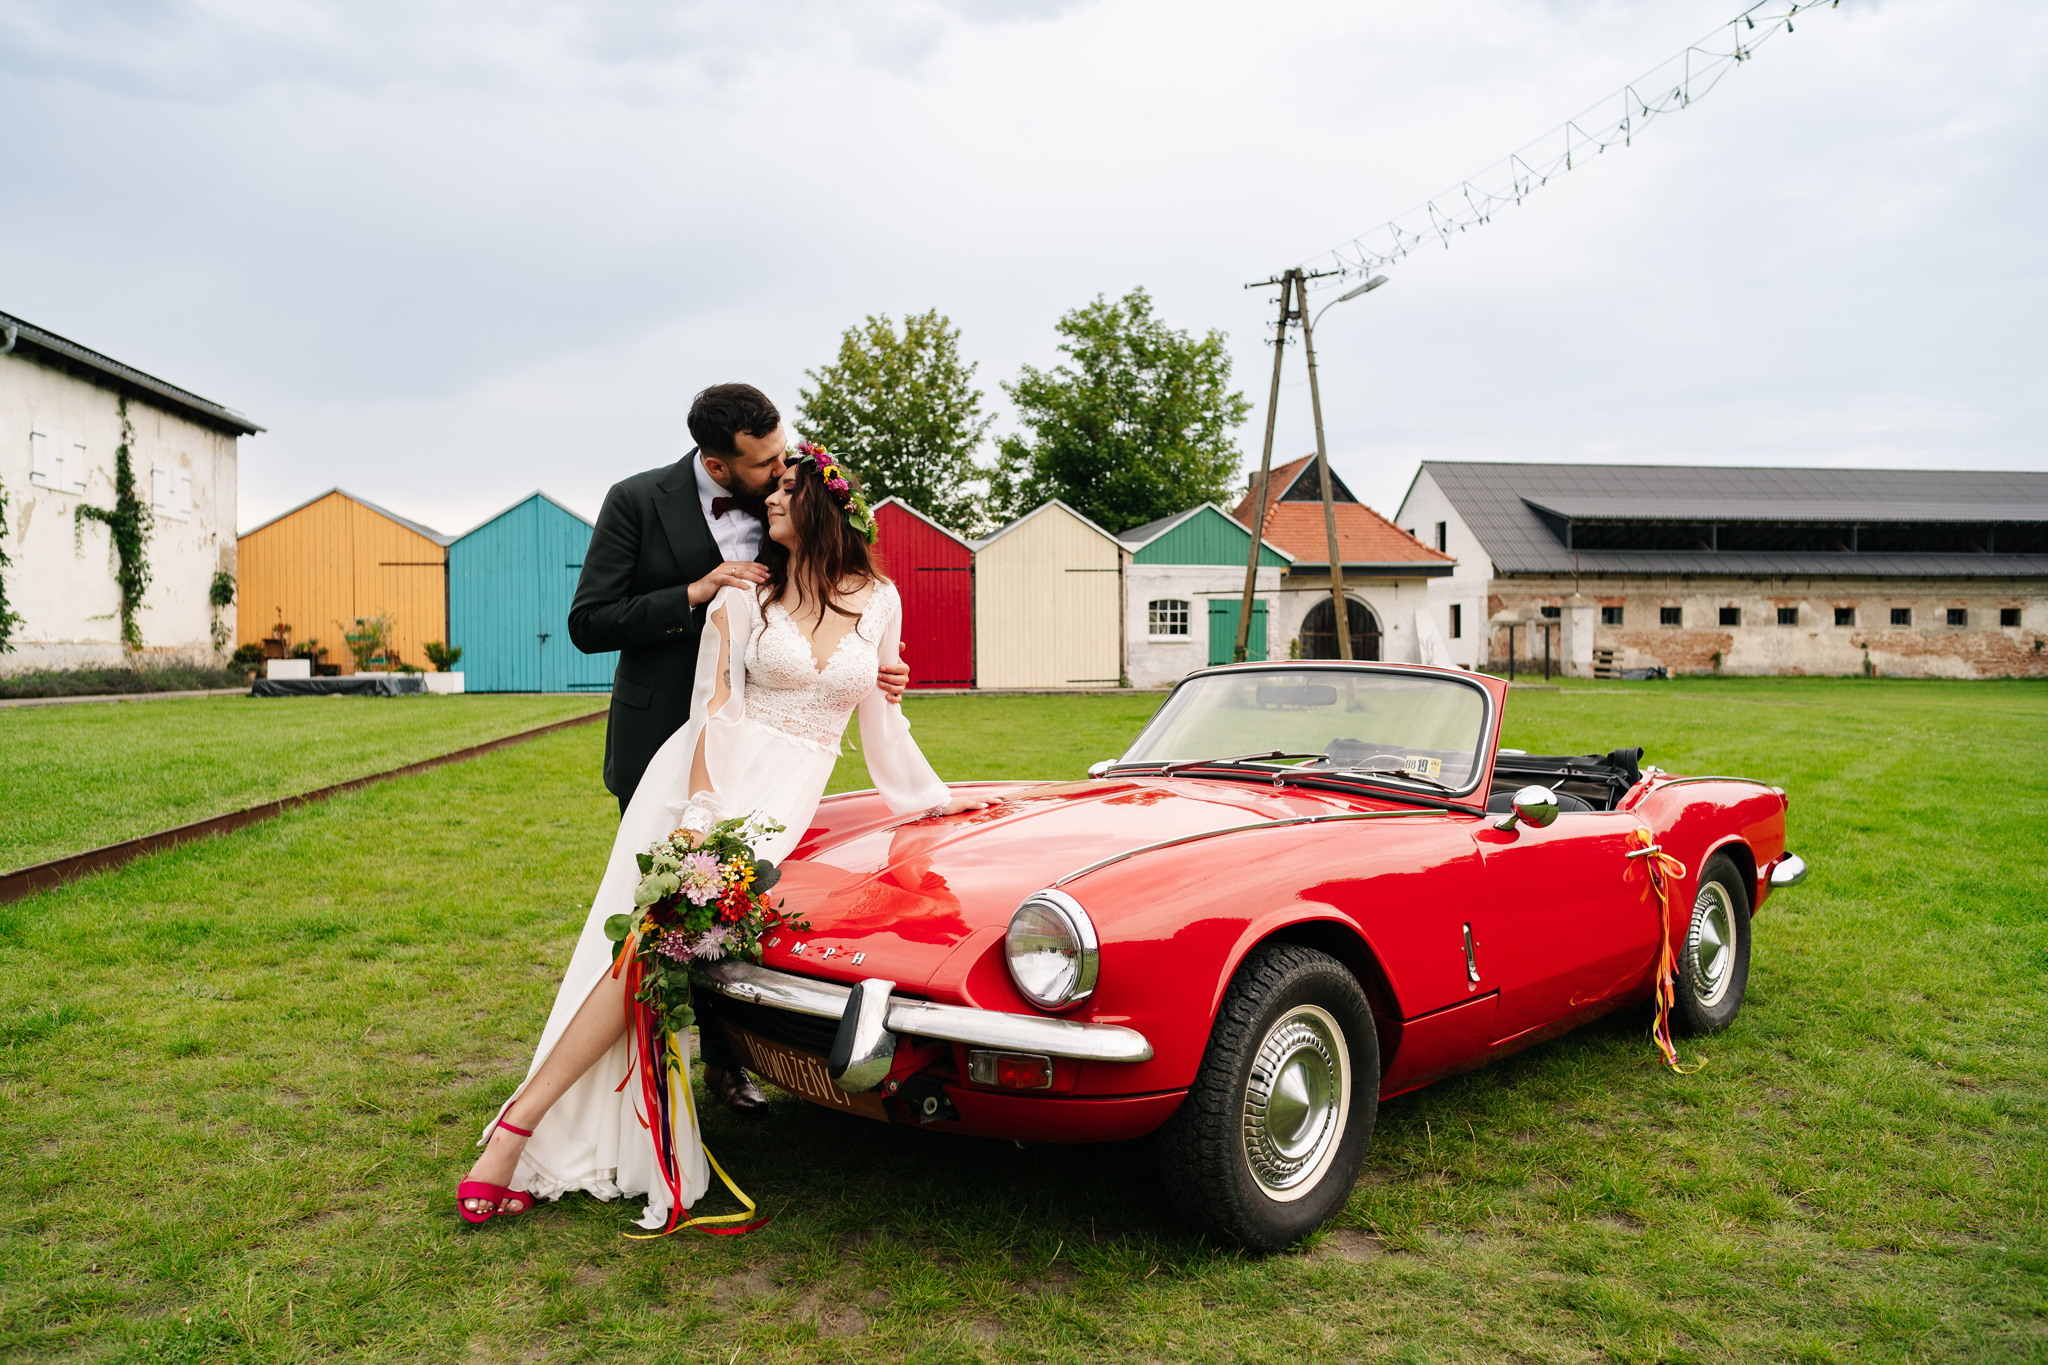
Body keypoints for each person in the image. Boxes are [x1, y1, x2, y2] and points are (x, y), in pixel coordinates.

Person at [457, 445, 988, 1227]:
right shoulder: (744, 595)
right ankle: (516, 1132)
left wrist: (933, 798)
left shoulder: (880, 599)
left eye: (786, 488)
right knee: (647, 945)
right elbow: (713, 709)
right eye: (770, 487)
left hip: (788, 794)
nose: (770, 499)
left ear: (825, 505)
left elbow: (884, 719)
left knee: (662, 950)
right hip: (706, 784)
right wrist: (700, 813)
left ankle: (547, 1121)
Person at [567, 383, 910, 1115]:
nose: (780, 470)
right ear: (718, 465)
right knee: (666, 915)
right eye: (765, 464)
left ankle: (729, 1062)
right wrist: (696, 591)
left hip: (765, 741)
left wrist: (874, 665)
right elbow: (589, 622)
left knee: (737, 910)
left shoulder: (783, 499)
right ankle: (639, 1080)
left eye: (782, 456)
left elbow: (823, 597)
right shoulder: (635, 500)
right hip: (662, 738)